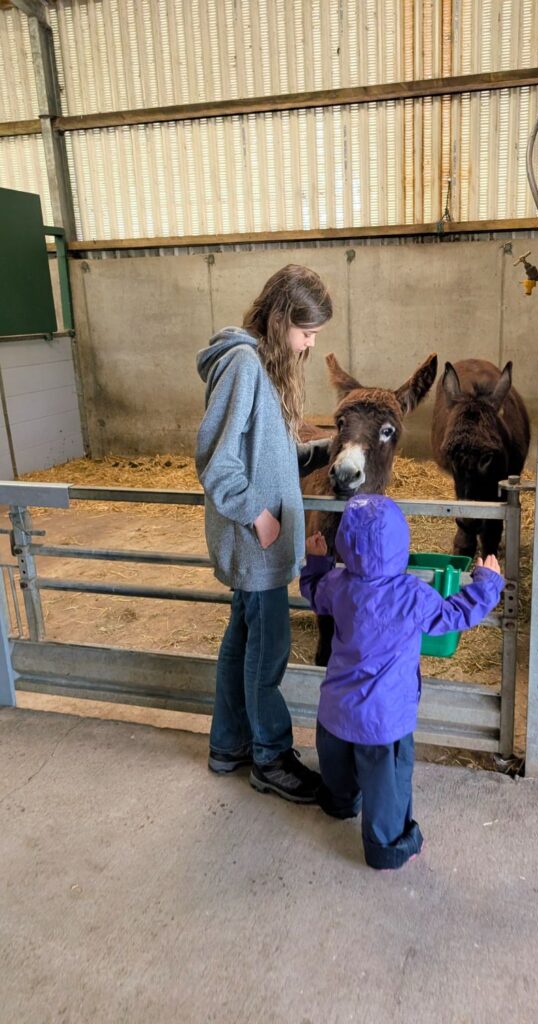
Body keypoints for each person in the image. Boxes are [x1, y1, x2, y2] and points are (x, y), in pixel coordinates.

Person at [300, 494, 505, 869]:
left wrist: (316, 561)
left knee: (337, 770)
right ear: (401, 542)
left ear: (345, 540)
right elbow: (455, 615)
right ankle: (388, 847)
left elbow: (312, 593)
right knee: (388, 788)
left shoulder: (337, 584)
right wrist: (487, 583)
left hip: (335, 712)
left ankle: (339, 803)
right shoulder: (412, 594)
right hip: (383, 719)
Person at [196, 264, 333, 804]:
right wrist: (259, 514)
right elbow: (217, 460)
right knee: (268, 648)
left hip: (262, 541)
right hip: (257, 543)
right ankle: (271, 758)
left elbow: (265, 457)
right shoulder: (244, 366)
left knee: (242, 641)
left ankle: (228, 745)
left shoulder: (261, 367)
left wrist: (319, 451)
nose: (309, 344)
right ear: (282, 320)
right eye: (307, 332)